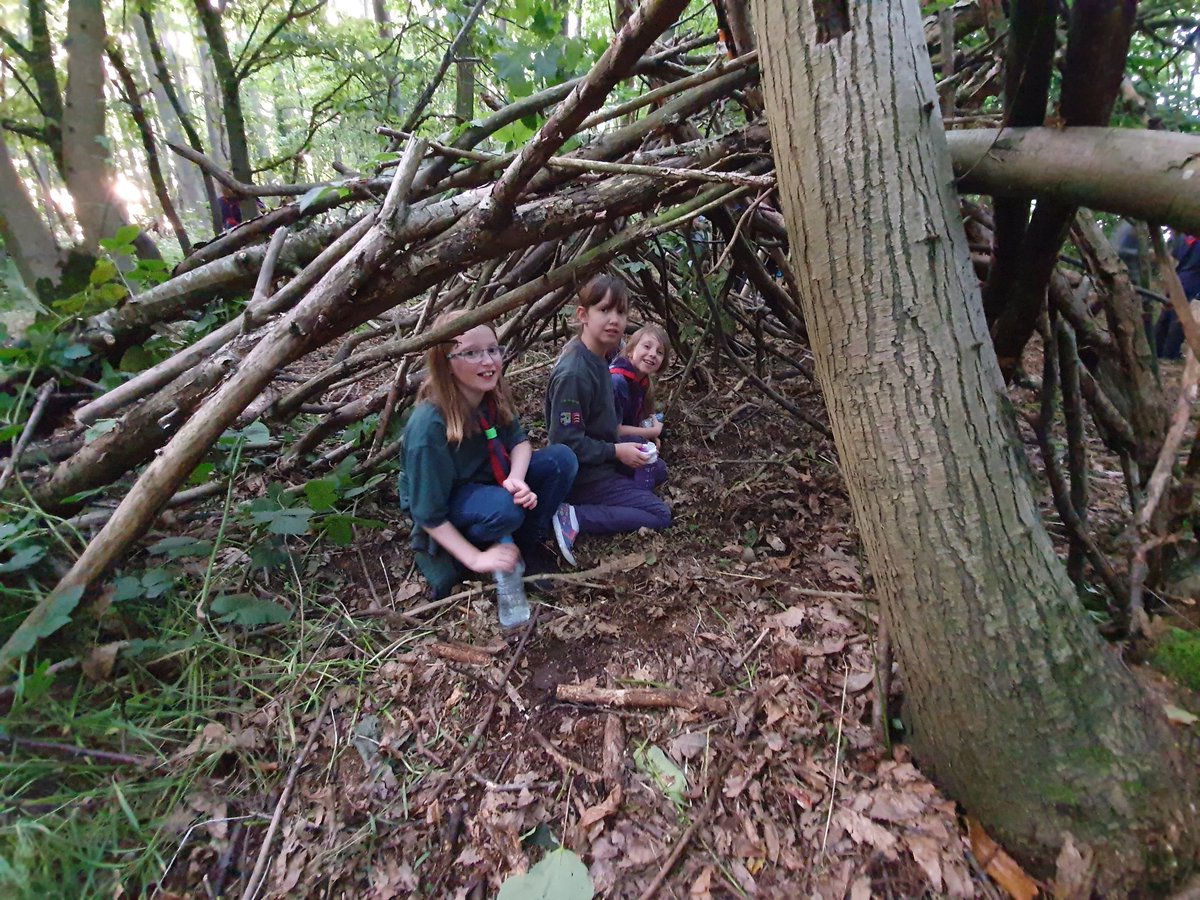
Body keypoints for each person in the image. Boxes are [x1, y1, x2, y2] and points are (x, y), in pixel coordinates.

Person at [400, 315, 578, 606]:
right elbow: (428, 514)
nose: (488, 361)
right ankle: (477, 548)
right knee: (504, 508)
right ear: (446, 362)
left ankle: (524, 546)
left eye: (493, 350)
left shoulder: (489, 394)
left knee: (561, 460)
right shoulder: (428, 426)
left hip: (492, 479)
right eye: (471, 353)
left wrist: (517, 479)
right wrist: (477, 558)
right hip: (450, 501)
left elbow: (519, 441)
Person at [545, 274, 672, 566]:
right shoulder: (574, 373)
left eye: (621, 312)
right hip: (584, 474)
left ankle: (621, 492)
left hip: (603, 455)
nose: (614, 319)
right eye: (604, 310)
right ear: (583, 316)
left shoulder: (601, 355)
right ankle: (575, 516)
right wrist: (618, 452)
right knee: (659, 515)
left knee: (657, 468)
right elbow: (566, 444)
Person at [610, 324, 670, 492]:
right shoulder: (617, 381)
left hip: (627, 434)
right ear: (630, 351)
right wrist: (652, 433)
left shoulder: (643, 381)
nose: (652, 354)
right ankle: (617, 487)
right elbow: (615, 430)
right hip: (607, 445)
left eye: (659, 352)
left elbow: (645, 415)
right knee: (658, 470)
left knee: (660, 424)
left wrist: (652, 438)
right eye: (646, 346)